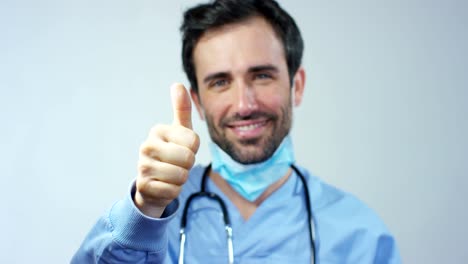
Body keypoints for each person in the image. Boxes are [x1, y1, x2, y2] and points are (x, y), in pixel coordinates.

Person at [72, 0, 401, 263]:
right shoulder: (156, 220)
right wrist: (145, 210)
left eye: (261, 75)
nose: (244, 104)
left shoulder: (359, 234)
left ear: (296, 86)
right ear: (198, 102)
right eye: (220, 82)